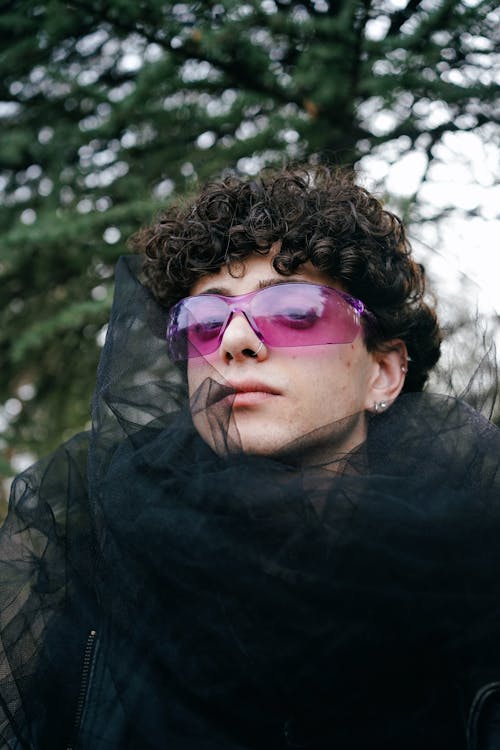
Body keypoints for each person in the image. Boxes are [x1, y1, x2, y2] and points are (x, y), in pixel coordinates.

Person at [0, 165, 499, 750]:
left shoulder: (477, 571)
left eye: (294, 310)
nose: (235, 342)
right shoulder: (100, 557)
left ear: (384, 373)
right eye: (205, 323)